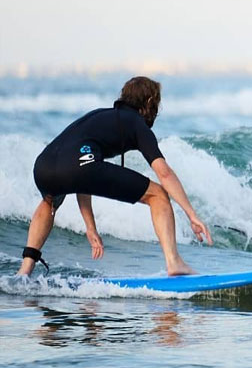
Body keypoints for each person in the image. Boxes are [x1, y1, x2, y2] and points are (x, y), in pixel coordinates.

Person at [18, 76, 212, 277]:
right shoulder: (136, 124)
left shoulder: (99, 116)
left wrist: (90, 228)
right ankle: (174, 263)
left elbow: (79, 175)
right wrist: (191, 214)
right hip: (81, 165)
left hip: (42, 167)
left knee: (49, 201)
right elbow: (164, 172)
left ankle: (25, 269)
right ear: (148, 103)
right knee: (158, 195)